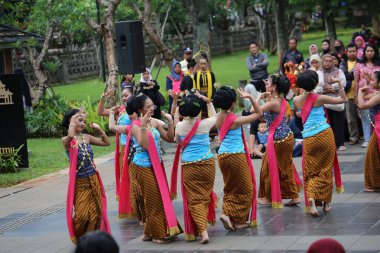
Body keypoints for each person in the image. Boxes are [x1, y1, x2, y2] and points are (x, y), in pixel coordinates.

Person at [122, 93, 182, 244]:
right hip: (142, 166)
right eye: (148, 107)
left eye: (153, 105)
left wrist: (170, 122)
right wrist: (143, 125)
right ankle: (157, 234)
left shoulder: (154, 122)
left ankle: (148, 233)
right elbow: (144, 144)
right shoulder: (135, 126)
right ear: (140, 109)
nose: (152, 108)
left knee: (159, 197)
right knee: (153, 199)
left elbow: (170, 138)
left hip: (156, 164)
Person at [293, 70, 346, 217]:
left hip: (309, 137)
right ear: (316, 83)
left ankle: (312, 197)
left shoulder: (296, 100)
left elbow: (299, 113)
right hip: (324, 134)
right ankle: (326, 202)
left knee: (311, 169)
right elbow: (343, 100)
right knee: (326, 168)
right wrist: (339, 84)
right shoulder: (320, 98)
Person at [170, 93, 217, 244]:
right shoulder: (204, 124)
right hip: (208, 164)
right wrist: (209, 103)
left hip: (189, 166)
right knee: (205, 195)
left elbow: (178, 142)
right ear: (198, 111)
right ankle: (203, 227)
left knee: (194, 200)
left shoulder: (179, 127)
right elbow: (215, 117)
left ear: (182, 111)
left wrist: (177, 112)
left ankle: (203, 232)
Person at [213, 86, 262, 230]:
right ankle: (233, 216)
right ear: (233, 103)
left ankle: (229, 215)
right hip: (235, 156)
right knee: (247, 188)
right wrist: (251, 97)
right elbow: (259, 113)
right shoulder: (235, 119)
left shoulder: (217, 117)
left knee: (231, 187)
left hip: (222, 156)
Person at [61, 108, 111, 243]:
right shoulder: (66, 140)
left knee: (95, 212)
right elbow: (71, 136)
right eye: (80, 120)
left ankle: (90, 241)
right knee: (82, 216)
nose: (83, 123)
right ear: (71, 120)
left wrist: (100, 130)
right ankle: (80, 239)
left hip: (93, 179)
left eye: (84, 120)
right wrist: (73, 118)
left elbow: (107, 143)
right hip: (79, 182)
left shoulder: (87, 138)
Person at [256, 73, 302, 208]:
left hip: (279, 140)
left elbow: (254, 110)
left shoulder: (273, 103)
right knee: (285, 167)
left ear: (274, 86)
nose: (265, 84)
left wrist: (258, 97)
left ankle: (271, 197)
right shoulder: (280, 100)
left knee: (270, 168)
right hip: (285, 137)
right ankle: (293, 196)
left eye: (268, 82)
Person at [98, 88, 134, 201]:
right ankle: (129, 203)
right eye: (122, 96)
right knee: (125, 176)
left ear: (132, 95)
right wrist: (103, 98)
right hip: (123, 148)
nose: (123, 98)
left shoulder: (137, 109)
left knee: (134, 175)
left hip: (134, 147)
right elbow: (100, 112)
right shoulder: (121, 109)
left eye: (126, 95)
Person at [315, 54, 347, 151]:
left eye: (330, 61)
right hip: (325, 101)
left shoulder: (338, 71)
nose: (327, 63)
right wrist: (325, 87)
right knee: (328, 123)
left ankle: (340, 143)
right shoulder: (319, 73)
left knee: (339, 122)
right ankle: (330, 143)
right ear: (322, 62)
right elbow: (316, 86)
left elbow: (343, 83)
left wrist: (333, 87)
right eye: (325, 61)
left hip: (337, 100)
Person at [357, 71, 380, 192]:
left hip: (379, 129)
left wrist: (359, 92)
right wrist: (366, 84)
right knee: (373, 155)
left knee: (372, 156)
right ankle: (375, 183)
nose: (371, 82)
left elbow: (362, 105)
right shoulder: (378, 93)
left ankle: (375, 184)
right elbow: (367, 97)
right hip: (377, 128)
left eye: (373, 80)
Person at [354, 44, 380, 148]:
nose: (369, 52)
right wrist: (357, 94)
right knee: (365, 118)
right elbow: (356, 82)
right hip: (368, 94)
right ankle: (367, 138)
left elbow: (363, 105)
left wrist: (361, 91)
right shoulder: (359, 65)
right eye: (367, 50)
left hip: (378, 124)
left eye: (371, 50)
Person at [340, 43, 360, 145]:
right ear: (346, 52)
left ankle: (367, 136)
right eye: (350, 51)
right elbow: (344, 75)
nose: (352, 53)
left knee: (365, 117)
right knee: (351, 119)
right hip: (348, 95)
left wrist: (351, 74)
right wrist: (354, 74)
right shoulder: (343, 63)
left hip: (360, 94)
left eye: (354, 51)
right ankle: (354, 137)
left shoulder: (360, 62)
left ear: (357, 51)